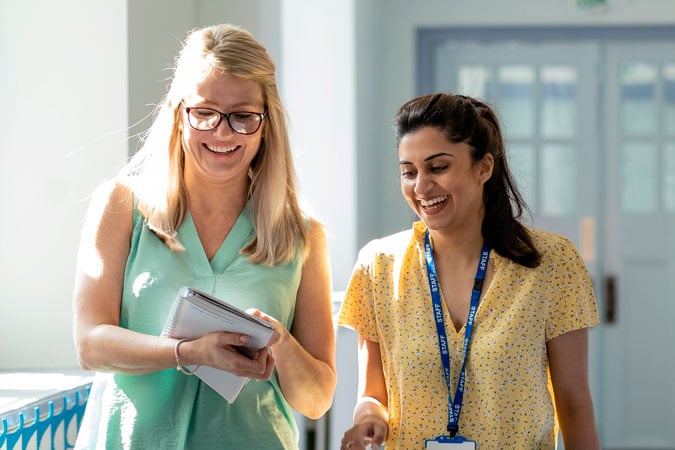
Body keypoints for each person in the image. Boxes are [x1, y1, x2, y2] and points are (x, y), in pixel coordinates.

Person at [72, 23, 336, 449]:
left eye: (243, 116)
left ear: (266, 125)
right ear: (179, 116)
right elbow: (90, 345)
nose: (223, 131)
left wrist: (282, 344)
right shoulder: (121, 206)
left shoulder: (302, 236)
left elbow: (317, 399)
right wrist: (187, 353)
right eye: (205, 112)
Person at [338, 93, 601, 449]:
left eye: (438, 167)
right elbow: (372, 394)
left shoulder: (552, 263)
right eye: (408, 171)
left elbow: (573, 403)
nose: (421, 186)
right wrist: (368, 418)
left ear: (484, 167)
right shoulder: (378, 265)